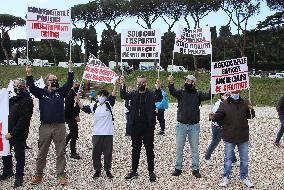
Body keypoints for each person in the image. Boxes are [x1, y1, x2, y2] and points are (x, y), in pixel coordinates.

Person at [26, 62, 73, 186]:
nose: (53, 81)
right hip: (45, 126)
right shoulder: (41, 92)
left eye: (55, 80)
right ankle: (38, 174)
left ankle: (61, 174)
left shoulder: (61, 92)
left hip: (59, 126)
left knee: (60, 152)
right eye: (51, 80)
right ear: (46, 81)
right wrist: (29, 73)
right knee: (42, 152)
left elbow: (69, 84)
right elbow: (30, 86)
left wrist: (70, 69)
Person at [209, 90, 255, 188]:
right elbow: (218, 117)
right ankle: (226, 177)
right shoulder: (224, 104)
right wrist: (213, 116)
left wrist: (252, 110)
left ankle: (244, 177)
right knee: (228, 159)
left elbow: (250, 116)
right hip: (229, 136)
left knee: (244, 159)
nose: (235, 92)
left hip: (243, 136)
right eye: (233, 90)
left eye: (237, 90)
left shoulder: (245, 102)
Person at [120, 76, 162, 182]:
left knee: (149, 150)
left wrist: (158, 88)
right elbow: (123, 95)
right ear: (136, 83)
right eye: (139, 82)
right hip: (135, 127)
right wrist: (122, 84)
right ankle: (134, 170)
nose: (141, 84)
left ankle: (151, 171)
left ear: (146, 83)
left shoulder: (151, 93)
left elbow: (159, 98)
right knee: (135, 149)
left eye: (143, 82)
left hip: (148, 127)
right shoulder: (134, 94)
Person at [168, 74, 211, 178]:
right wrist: (171, 83)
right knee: (179, 148)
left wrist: (212, 86)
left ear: (193, 83)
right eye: (186, 80)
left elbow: (210, 96)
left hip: (194, 126)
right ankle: (178, 168)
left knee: (194, 149)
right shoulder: (181, 92)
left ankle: (195, 169)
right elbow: (172, 92)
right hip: (181, 125)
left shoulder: (198, 94)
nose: (186, 82)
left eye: (188, 81)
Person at [75, 84, 117, 179]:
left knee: (108, 152)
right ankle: (97, 169)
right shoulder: (94, 105)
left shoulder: (109, 104)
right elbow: (84, 108)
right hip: (96, 133)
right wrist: (78, 101)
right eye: (100, 95)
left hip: (108, 133)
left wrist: (116, 84)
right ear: (97, 96)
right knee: (96, 153)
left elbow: (114, 94)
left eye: (103, 95)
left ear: (106, 97)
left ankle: (107, 170)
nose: (101, 97)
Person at [0, 78, 34, 188]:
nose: (16, 87)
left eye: (18, 85)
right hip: (6, 132)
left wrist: (13, 133)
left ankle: (19, 177)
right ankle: (7, 171)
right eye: (15, 85)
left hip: (18, 134)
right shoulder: (12, 98)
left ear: (23, 87)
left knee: (19, 156)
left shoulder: (27, 100)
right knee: (6, 153)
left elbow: (23, 120)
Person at [205, 92, 238, 166]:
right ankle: (207, 158)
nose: (228, 96)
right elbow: (215, 116)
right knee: (215, 142)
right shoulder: (218, 104)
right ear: (222, 96)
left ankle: (234, 160)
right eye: (226, 95)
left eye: (229, 95)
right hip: (218, 127)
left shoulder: (231, 103)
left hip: (226, 127)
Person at [65, 80, 81, 159]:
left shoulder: (75, 94)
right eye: (76, 85)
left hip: (73, 116)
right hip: (69, 117)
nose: (78, 86)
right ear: (72, 85)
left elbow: (76, 106)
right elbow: (67, 108)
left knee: (72, 133)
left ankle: (62, 147)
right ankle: (73, 152)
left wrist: (77, 115)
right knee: (74, 134)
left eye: (78, 85)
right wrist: (75, 116)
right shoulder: (70, 94)